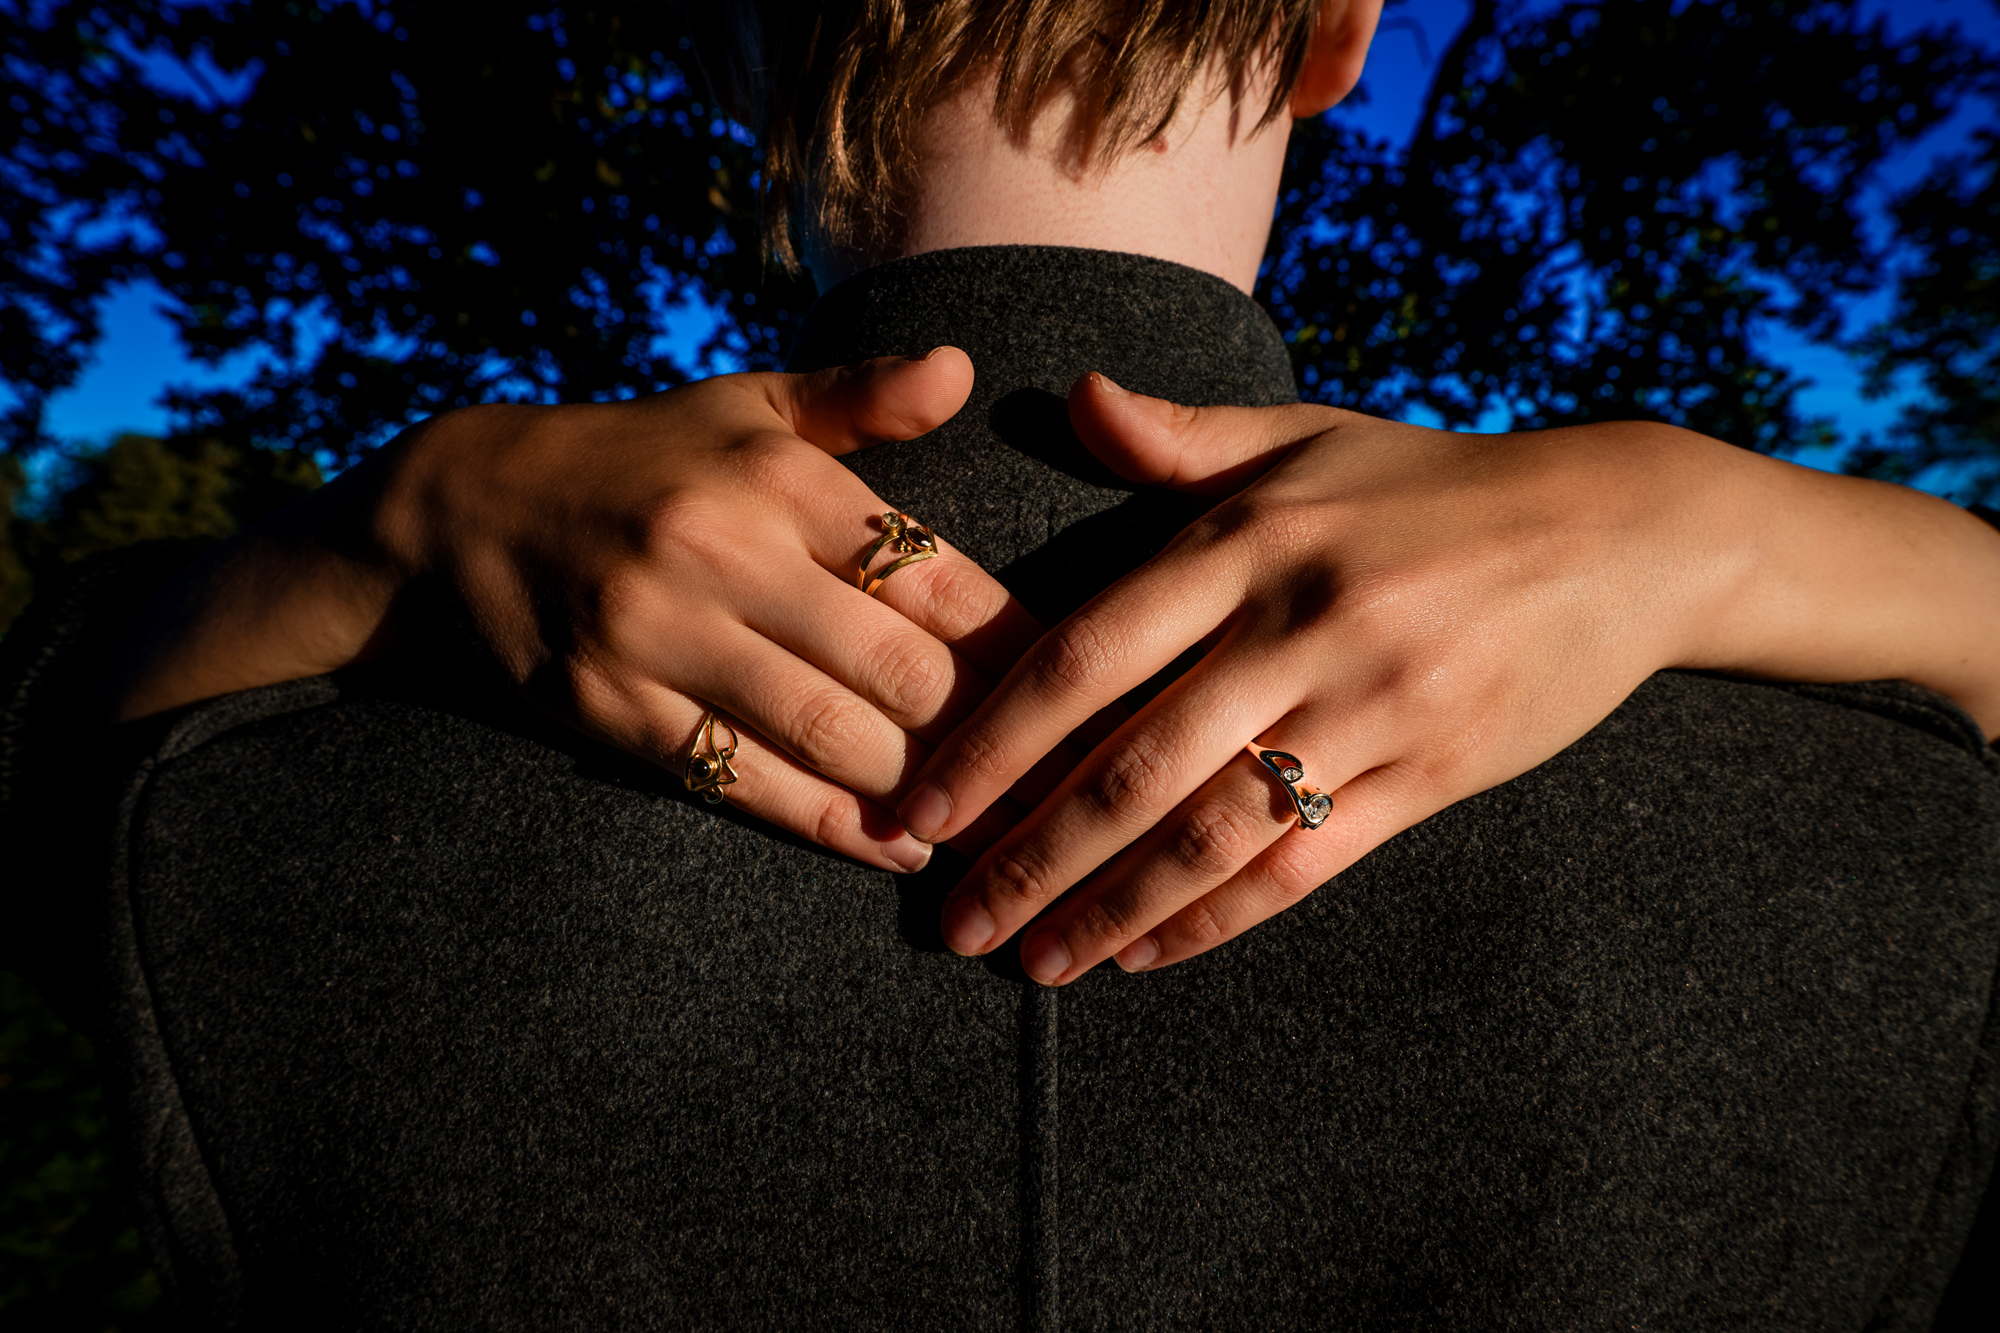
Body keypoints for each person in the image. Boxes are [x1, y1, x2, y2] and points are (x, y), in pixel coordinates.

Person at [2, 0, 1996, 1327]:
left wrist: (364, 538)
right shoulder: (1881, 824)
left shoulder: (246, 797)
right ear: (1334, 34)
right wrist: (1764, 531)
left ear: (752, 28)